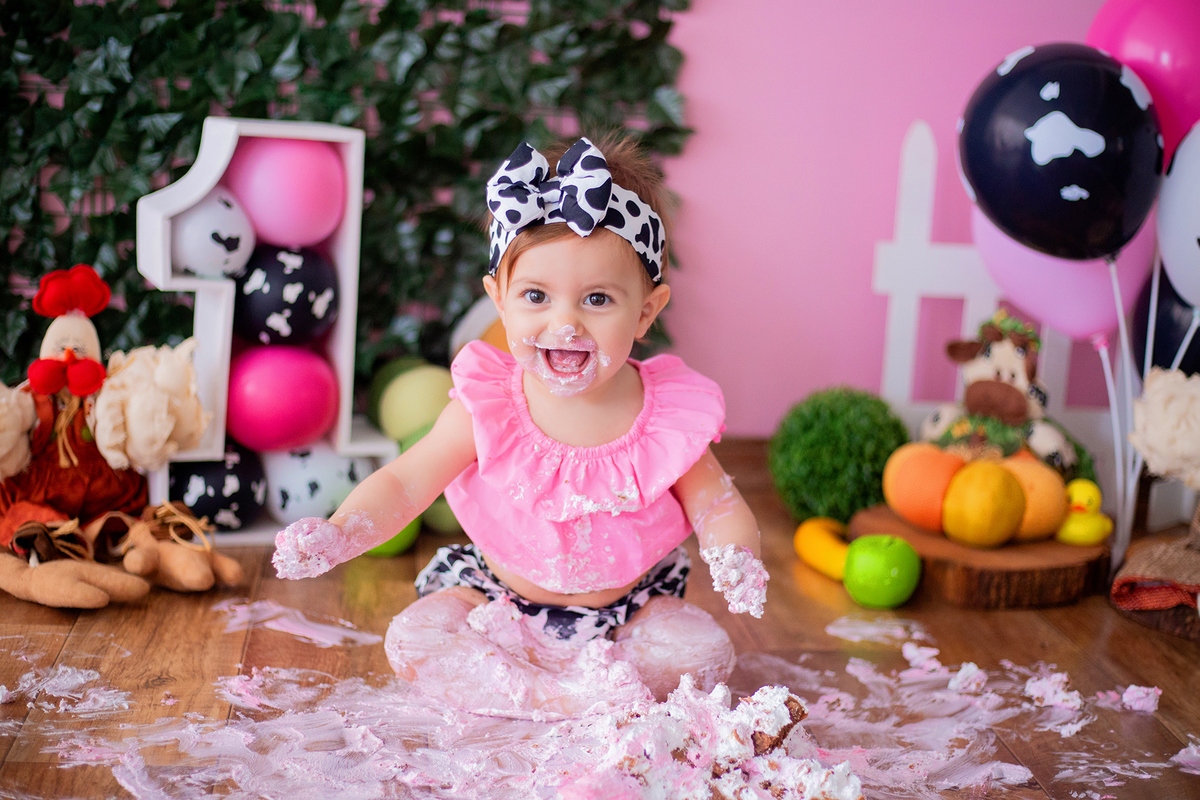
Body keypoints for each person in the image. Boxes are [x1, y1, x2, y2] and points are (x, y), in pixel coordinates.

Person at [273, 133, 768, 715]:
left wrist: (736, 554)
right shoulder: (489, 406)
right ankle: (566, 697)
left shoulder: (663, 416)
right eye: (536, 295)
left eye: (598, 300)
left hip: (630, 608)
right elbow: (407, 483)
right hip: (498, 601)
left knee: (698, 655)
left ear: (646, 311)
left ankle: (571, 688)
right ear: (499, 300)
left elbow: (718, 505)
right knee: (415, 639)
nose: (565, 323)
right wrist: (342, 531)